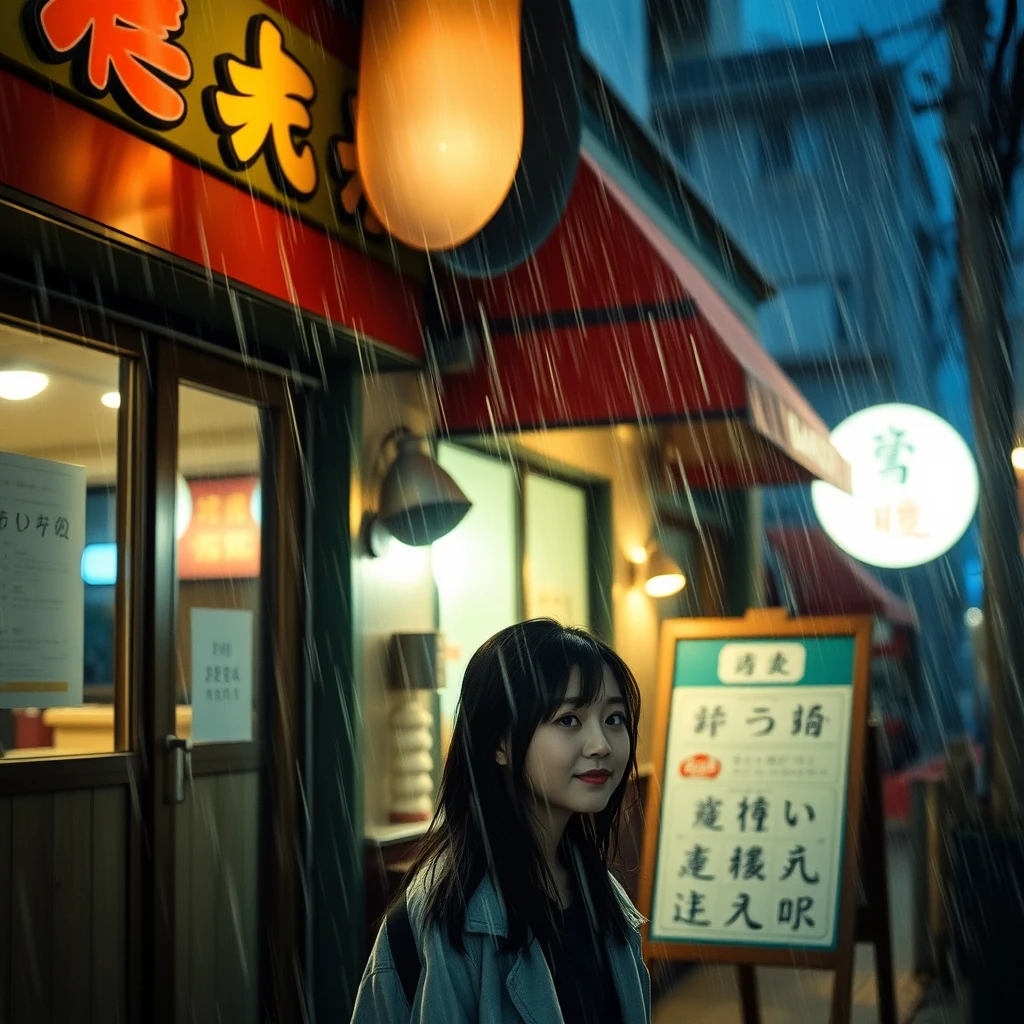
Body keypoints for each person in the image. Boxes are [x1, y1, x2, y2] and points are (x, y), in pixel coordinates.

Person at [352, 619, 651, 1024]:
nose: (601, 744)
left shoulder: (604, 894)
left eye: (614, 719)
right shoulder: (449, 915)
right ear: (498, 743)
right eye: (569, 720)